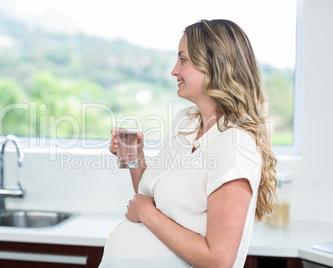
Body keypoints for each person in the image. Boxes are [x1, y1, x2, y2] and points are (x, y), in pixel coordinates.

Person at [99, 19, 277, 268]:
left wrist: (146, 213)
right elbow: (151, 200)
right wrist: (135, 158)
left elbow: (218, 260)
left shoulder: (236, 145)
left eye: (183, 60)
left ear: (215, 65)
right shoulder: (185, 123)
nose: (174, 70)